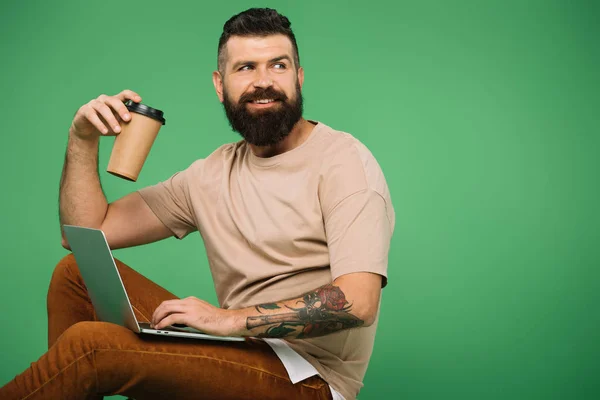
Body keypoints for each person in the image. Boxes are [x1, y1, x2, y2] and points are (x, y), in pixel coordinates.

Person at [0, 7, 394, 400]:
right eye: (245, 68)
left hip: (309, 379)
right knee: (76, 273)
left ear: (299, 77)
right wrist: (82, 137)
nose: (263, 82)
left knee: (94, 346)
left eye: (278, 66)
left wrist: (226, 320)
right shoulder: (212, 173)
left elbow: (357, 303)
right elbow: (84, 234)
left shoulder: (343, 163)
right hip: (242, 351)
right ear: (220, 85)